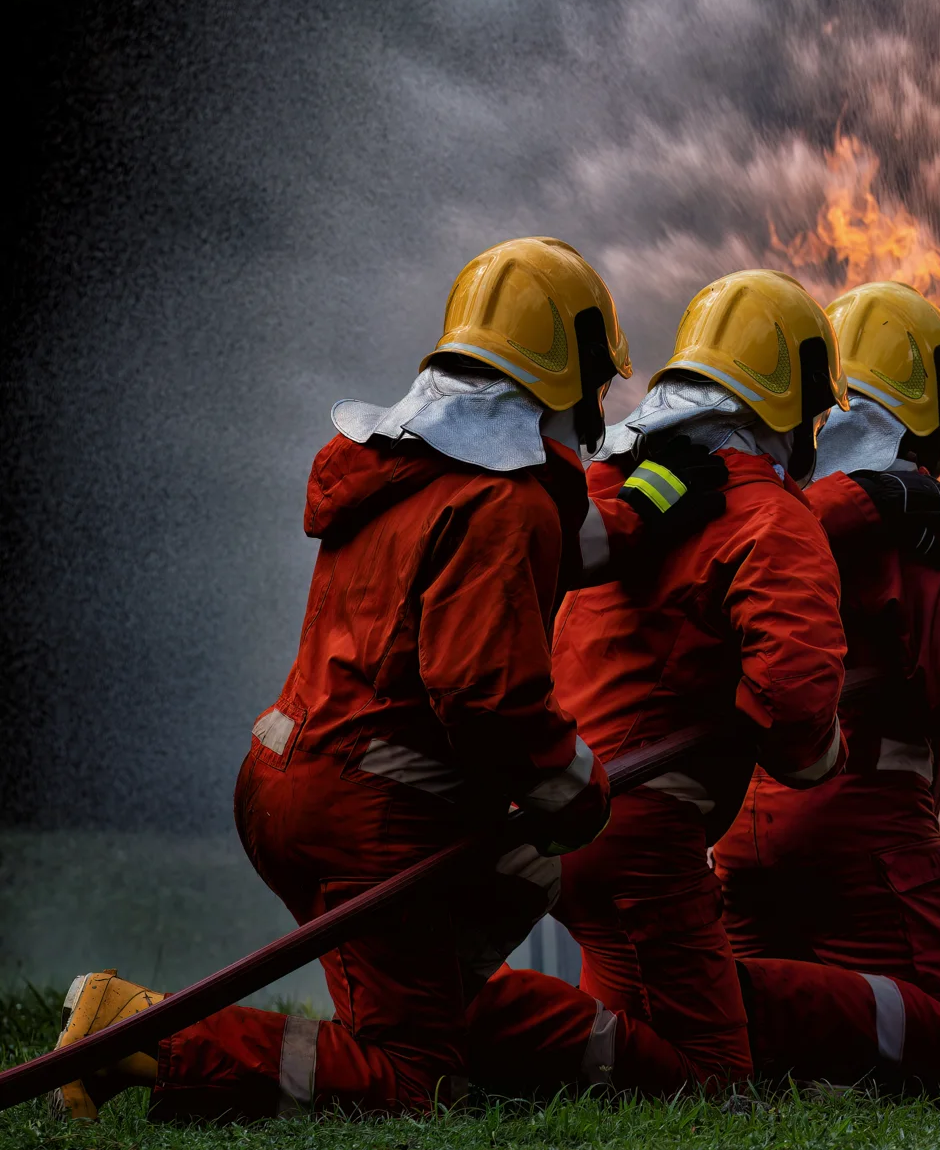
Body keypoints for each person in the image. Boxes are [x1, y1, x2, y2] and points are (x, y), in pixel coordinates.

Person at [51, 237, 724, 1120]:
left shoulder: (411, 469)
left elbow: (568, 544)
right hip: (371, 816)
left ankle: (424, 1015)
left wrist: (656, 494)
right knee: (414, 1081)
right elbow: (486, 696)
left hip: (289, 779)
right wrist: (576, 782)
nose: (599, 414)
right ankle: (140, 1034)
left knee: (505, 900)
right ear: (568, 371)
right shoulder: (505, 502)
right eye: (597, 385)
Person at [465, 269, 853, 1097]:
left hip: (565, 811)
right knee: (713, 1079)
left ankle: (468, 1036)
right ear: (791, 403)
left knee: (630, 1056)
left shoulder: (616, 486)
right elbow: (796, 703)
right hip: (642, 840)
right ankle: (461, 1026)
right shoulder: (773, 516)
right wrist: (822, 752)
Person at [714, 280, 940, 1094]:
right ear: (926, 414)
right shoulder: (915, 517)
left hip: (745, 820)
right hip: (862, 823)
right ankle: (729, 999)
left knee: (780, 1019)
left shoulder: (773, 503)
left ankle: (716, 999)